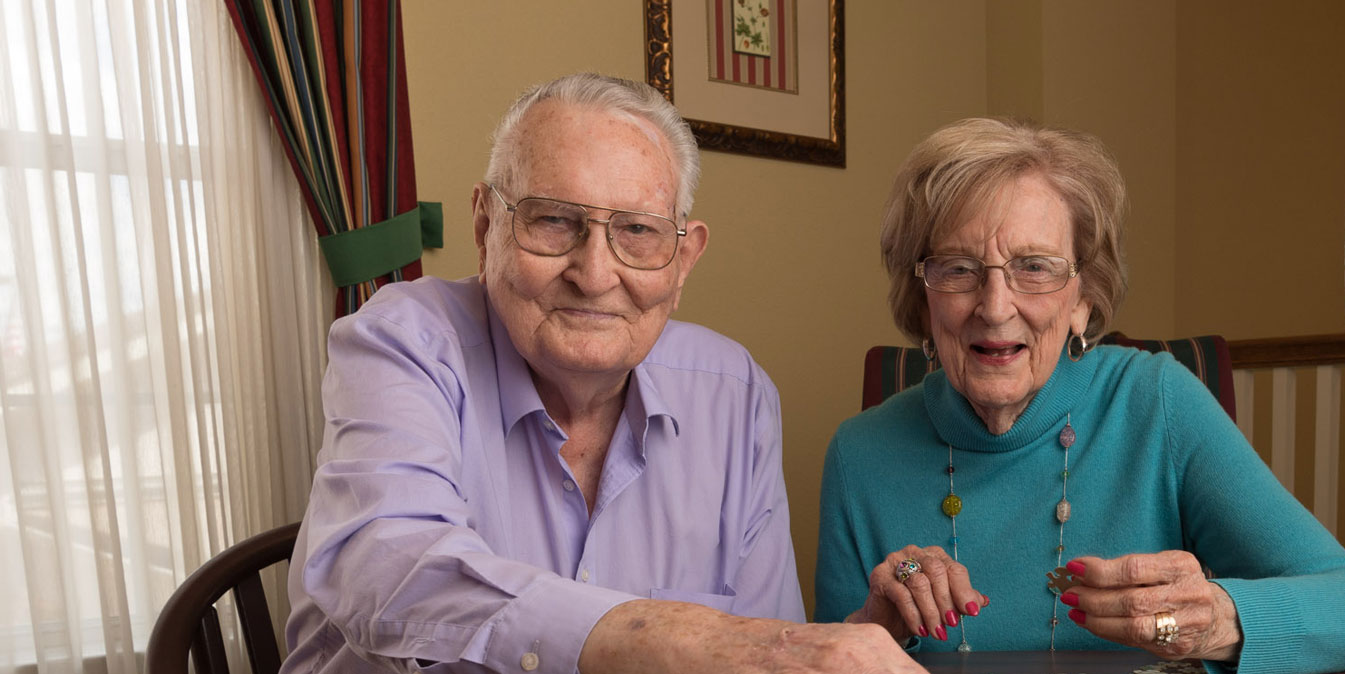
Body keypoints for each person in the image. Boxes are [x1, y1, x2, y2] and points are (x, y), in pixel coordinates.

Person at [283, 73, 920, 674]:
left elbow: (761, 644)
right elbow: (389, 570)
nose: (593, 275)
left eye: (638, 231)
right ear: (485, 228)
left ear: (683, 259)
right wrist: (676, 638)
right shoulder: (404, 340)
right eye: (554, 221)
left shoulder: (736, 393)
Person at [813, 117, 1345, 673]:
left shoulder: (1158, 403)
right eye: (959, 269)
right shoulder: (858, 454)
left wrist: (1216, 618)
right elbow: (823, 659)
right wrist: (875, 624)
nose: (994, 307)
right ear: (922, 301)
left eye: (1035, 267)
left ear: (1084, 301)